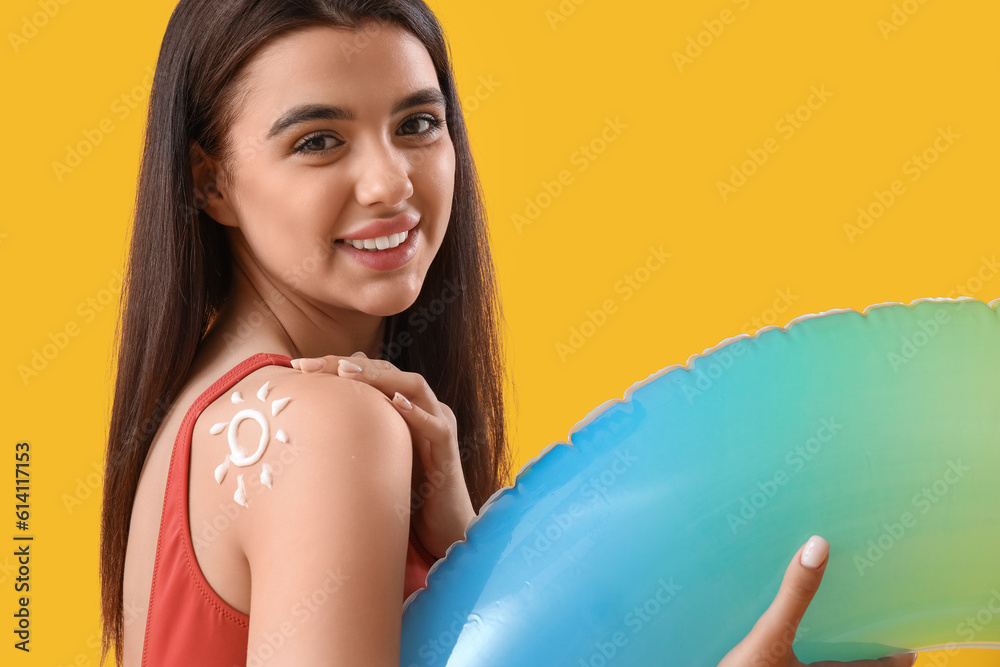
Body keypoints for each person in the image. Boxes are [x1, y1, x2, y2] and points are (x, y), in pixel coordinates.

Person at [98, 1, 918, 665]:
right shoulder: (324, 427)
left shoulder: (204, 413)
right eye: (319, 141)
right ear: (211, 180)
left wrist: (469, 550)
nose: (391, 181)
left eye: (417, 124)